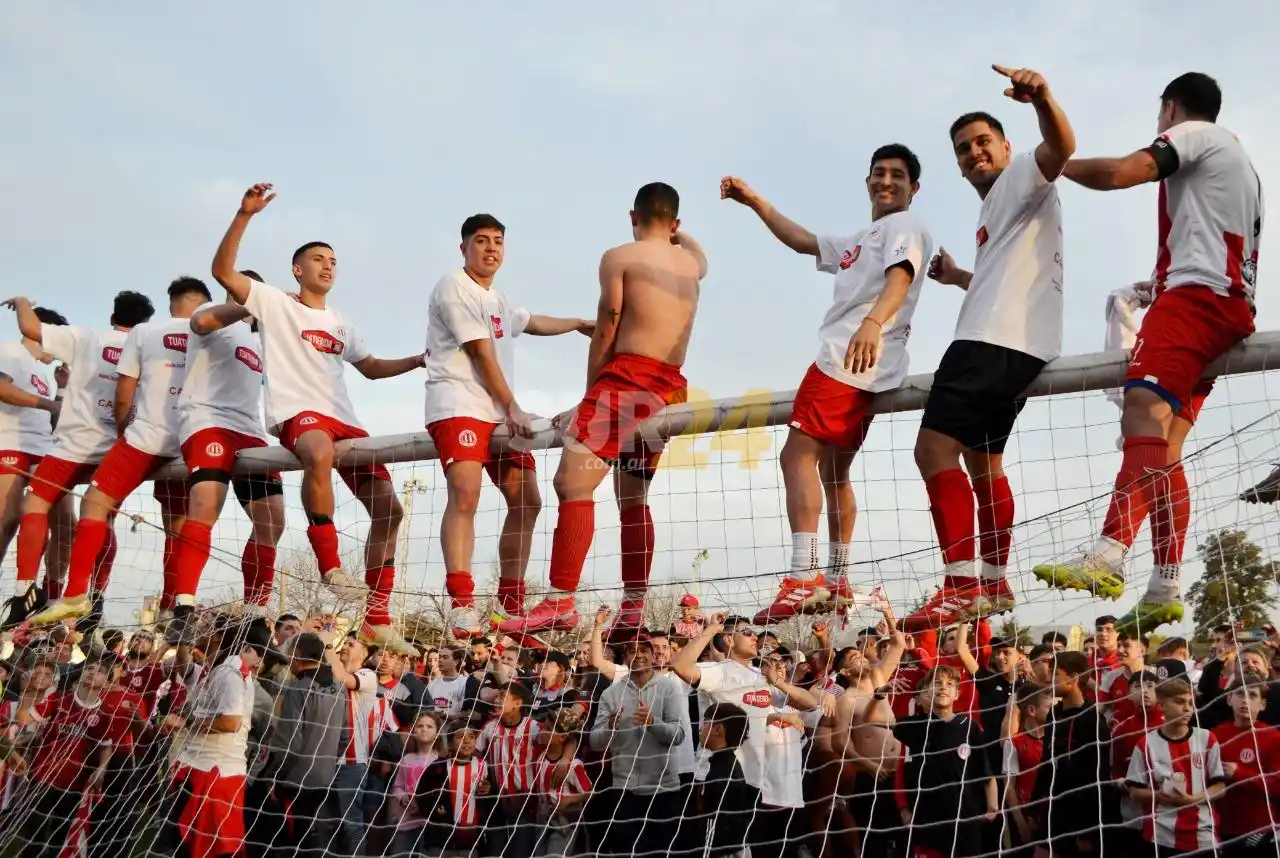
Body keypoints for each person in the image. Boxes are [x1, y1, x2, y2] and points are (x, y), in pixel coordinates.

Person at [1036, 72, 1264, 636]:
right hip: (1226, 304)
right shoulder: (1240, 160)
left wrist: (1049, 165)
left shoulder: (1194, 136)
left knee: (1140, 409)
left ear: (1169, 110)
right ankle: (1164, 585)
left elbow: (1119, 173)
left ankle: (1110, 553)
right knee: (1165, 446)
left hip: (1197, 302)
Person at [721, 145, 934, 624]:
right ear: (867, 182)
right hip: (865, 361)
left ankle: (804, 575)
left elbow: (900, 276)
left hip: (849, 357)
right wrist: (754, 201)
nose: (886, 181)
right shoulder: (864, 236)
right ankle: (836, 579)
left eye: (897, 175)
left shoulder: (906, 226)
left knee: (796, 456)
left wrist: (873, 323)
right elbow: (803, 241)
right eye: (878, 172)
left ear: (913, 188)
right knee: (834, 472)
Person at [211, 183, 426, 654]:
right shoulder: (274, 301)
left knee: (391, 509)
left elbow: (370, 368)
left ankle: (377, 616)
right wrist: (244, 215)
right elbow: (222, 270)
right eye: (318, 259)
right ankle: (330, 567)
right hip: (300, 416)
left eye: (333, 261)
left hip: (345, 420)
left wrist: (415, 360)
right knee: (317, 451)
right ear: (297, 268)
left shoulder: (343, 323)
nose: (328, 266)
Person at [904, 65, 1075, 632]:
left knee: (932, 451)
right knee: (983, 462)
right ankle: (994, 579)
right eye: (963, 149)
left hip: (988, 340)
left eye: (982, 142)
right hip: (1021, 342)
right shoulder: (999, 208)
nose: (973, 153)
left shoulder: (1022, 174)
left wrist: (1043, 98)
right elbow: (1005, 275)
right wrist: (956, 278)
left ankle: (959, 585)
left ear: (1005, 146)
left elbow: (1061, 148)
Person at [500, 183, 708, 637]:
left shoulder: (620, 257)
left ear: (633, 216)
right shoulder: (691, 263)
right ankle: (633, 607)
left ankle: (561, 601)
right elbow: (699, 253)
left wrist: (589, 394)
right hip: (671, 386)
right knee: (632, 497)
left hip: (629, 380)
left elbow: (609, 324)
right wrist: (681, 236)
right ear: (675, 224)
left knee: (572, 480)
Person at [424, 213, 592, 638]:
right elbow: (481, 354)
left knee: (527, 500)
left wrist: (577, 324)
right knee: (466, 492)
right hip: (459, 402)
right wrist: (514, 407)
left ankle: (509, 604)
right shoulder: (453, 286)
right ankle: (463, 603)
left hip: (499, 411)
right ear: (464, 248)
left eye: (498, 240)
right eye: (482, 240)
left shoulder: (499, 299)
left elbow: (531, 321)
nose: (492, 248)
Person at [30, 278, 212, 627]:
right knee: (179, 524)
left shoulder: (143, 334)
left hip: (144, 437)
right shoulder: (214, 337)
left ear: (172, 304)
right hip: (190, 440)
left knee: (95, 505)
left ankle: (76, 594)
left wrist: (121, 432)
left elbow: (124, 393)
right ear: (203, 305)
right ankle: (172, 607)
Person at [3, 291, 155, 628]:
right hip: (120, 447)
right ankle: (93, 593)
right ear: (144, 322)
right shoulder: (149, 345)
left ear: (113, 316)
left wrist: (22, 301)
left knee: (36, 505)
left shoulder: (88, 337)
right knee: (101, 518)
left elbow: (29, 326)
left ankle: (25, 587)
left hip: (74, 444)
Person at [166, 272, 287, 636]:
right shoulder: (213, 317)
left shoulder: (264, 340)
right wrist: (240, 304)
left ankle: (254, 611)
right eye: (240, 290)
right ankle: (183, 605)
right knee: (205, 506)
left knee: (272, 520)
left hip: (250, 430)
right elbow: (200, 322)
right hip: (210, 421)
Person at [152, 618, 268, 858]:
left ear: (216, 637)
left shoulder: (229, 672)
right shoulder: (214, 668)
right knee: (185, 845)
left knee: (210, 850)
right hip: (200, 769)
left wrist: (185, 722)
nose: (199, 631)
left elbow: (230, 722)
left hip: (215, 775)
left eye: (205, 627)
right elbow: (184, 663)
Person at [589, 633, 687, 858]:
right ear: (625, 658)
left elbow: (678, 735)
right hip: (625, 789)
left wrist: (653, 723)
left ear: (654, 656)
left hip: (664, 789)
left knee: (662, 852)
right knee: (629, 852)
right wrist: (611, 728)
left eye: (644, 650)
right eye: (633, 651)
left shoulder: (669, 688)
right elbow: (595, 742)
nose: (639, 655)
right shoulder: (611, 693)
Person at [1124, 676, 1227, 857]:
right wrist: (1159, 795)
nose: (1187, 708)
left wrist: (1192, 799)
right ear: (1161, 705)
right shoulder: (1145, 743)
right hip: (1161, 835)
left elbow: (1220, 787)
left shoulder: (1207, 738)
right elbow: (1134, 792)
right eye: (1180, 702)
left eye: (1190, 703)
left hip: (1203, 835)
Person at [0, 305, 64, 567]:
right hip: (12, 444)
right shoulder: (11, 351)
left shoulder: (44, 375)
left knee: (59, 522)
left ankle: (38, 591)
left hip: (42, 449)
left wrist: (60, 392)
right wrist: (48, 403)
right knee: (7, 519)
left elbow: (49, 417)